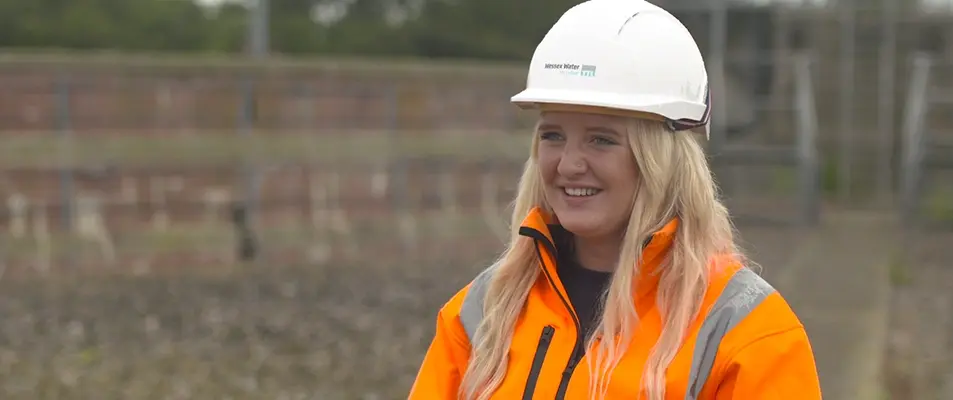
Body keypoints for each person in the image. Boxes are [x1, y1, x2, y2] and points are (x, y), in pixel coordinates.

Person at [408, 0, 822, 399]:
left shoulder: (747, 332)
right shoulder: (482, 312)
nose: (569, 164)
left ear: (660, 159)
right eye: (553, 135)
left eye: (601, 140)